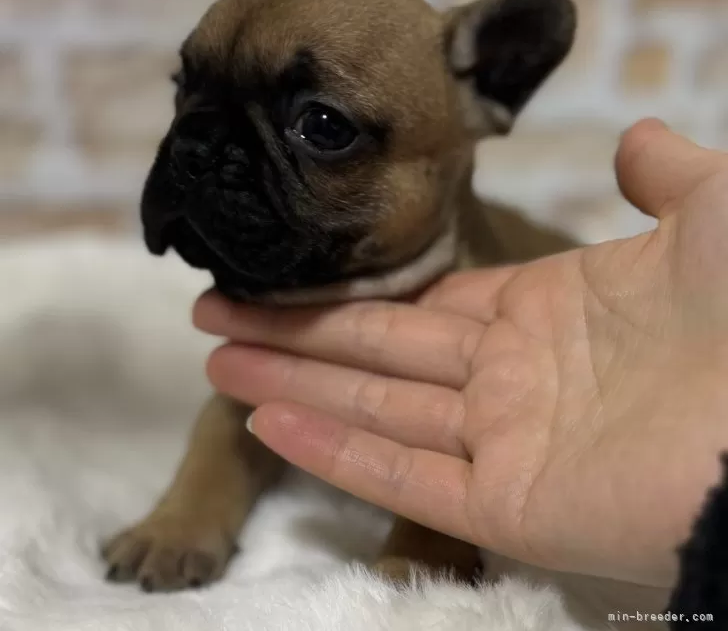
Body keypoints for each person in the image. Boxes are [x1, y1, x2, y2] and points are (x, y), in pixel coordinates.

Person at [192, 118, 728, 591]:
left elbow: (484, 423)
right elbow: (243, 405)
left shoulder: (510, 296)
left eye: (324, 129)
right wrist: (189, 517)